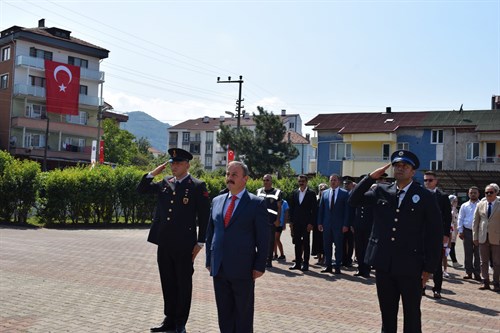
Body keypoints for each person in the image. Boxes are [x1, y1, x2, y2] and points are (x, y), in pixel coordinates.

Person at [348, 150, 442, 333]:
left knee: (412, 315)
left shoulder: (425, 196)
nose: (400, 169)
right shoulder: (382, 190)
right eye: (397, 166)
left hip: (411, 265)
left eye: (404, 166)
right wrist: (370, 178)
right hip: (384, 264)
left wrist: (429, 268)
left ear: (413, 171)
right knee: (387, 314)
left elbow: (434, 234)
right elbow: (353, 200)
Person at [137, 148, 210, 333]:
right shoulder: (165, 182)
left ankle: (180, 322)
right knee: (167, 281)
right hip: (164, 242)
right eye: (172, 163)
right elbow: (141, 189)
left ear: (187, 165)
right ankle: (169, 319)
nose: (174, 166)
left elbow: (204, 217)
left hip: (185, 244)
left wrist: (200, 243)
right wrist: (153, 173)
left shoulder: (197, 185)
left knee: (183, 283)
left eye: (178, 163)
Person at [205, 160, 270, 333]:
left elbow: (263, 238)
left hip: (243, 269)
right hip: (219, 267)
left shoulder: (256, 203)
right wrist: (208, 260)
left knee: (243, 314)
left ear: (245, 179)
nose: (229, 178)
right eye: (227, 174)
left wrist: (259, 265)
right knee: (224, 314)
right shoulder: (217, 201)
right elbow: (210, 233)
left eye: (234, 174)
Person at [422, 171, 452, 299]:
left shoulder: (443, 196)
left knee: (436, 262)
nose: (427, 182)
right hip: (421, 234)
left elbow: (447, 217)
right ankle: (421, 287)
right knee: (421, 261)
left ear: (436, 181)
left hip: (437, 235)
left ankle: (437, 289)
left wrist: (446, 234)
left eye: (430, 180)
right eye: (425, 180)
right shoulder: (419, 194)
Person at [317, 174, 351, 274]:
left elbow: (347, 211)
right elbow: (321, 209)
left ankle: (337, 267)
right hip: (326, 224)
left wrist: (346, 224)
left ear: (338, 182)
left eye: (335, 180)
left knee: (338, 246)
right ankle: (328, 266)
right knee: (327, 246)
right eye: (331, 180)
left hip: (339, 225)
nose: (333, 182)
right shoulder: (325, 193)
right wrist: (319, 222)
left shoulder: (345, 194)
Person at [473, 183, 500, 292]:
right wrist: (475, 236)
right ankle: (485, 282)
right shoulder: (481, 204)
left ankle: (496, 282)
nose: (488, 194)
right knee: (483, 261)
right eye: (486, 192)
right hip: (483, 237)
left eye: (491, 192)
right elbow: (476, 221)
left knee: (497, 262)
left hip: (496, 237)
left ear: (496, 193)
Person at [289, 175, 318, 272]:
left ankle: (305, 263)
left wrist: (311, 223)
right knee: (297, 243)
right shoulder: (294, 193)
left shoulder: (311, 193)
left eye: (303, 181)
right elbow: (292, 209)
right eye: (299, 181)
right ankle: (297, 263)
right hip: (296, 223)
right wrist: (291, 222)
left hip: (306, 224)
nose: (301, 183)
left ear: (306, 182)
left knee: (306, 243)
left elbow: (314, 210)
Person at [256, 174, 283, 268]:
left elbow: (279, 207)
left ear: (271, 181)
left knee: (270, 241)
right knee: (259, 240)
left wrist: (278, 219)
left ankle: (269, 260)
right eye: (264, 180)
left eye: (267, 180)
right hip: (260, 221)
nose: (265, 182)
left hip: (271, 221)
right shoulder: (258, 191)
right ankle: (260, 259)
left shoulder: (277, 192)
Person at [352, 179, 375, 278]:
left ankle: (366, 269)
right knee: (358, 248)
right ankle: (360, 268)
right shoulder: (357, 196)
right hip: (358, 226)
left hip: (368, 226)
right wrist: (352, 224)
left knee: (366, 249)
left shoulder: (372, 195)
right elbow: (353, 210)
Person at [457, 186, 482, 281]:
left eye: (475, 192)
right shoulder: (464, 205)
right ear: (468, 194)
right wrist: (460, 231)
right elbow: (460, 218)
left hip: (479, 232)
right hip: (467, 231)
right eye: (471, 193)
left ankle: (477, 273)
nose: (473, 194)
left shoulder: (482, 204)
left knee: (478, 253)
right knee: (468, 253)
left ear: (478, 194)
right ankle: (468, 272)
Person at [312, 183, 327, 265]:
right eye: (321, 189)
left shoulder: (327, 198)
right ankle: (319, 258)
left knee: (324, 241)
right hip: (316, 223)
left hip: (325, 223)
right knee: (316, 240)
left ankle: (324, 258)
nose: (322, 191)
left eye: (324, 189)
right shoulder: (316, 199)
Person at [342, 177, 356, 267]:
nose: (346, 185)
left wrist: (352, 224)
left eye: (348, 184)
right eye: (345, 184)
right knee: (342, 242)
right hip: (342, 223)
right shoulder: (342, 194)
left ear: (352, 184)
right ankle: (343, 260)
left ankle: (349, 260)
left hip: (351, 224)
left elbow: (354, 212)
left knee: (350, 243)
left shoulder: (354, 195)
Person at [448, 195, 462, 268]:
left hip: (455, 230)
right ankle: (454, 261)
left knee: (451, 245)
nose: (456, 203)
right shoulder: (450, 210)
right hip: (451, 230)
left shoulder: (456, 210)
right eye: (454, 201)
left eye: (456, 201)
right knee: (451, 246)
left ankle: (445, 261)